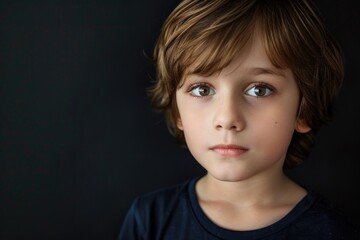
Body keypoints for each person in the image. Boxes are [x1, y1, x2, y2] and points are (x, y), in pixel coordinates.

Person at [118, 0, 359, 239]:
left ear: (304, 109)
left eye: (260, 90)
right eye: (202, 89)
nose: (227, 118)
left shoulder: (331, 232)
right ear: (177, 111)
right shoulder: (150, 221)